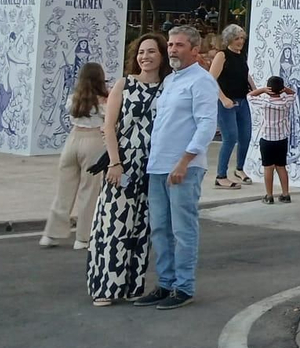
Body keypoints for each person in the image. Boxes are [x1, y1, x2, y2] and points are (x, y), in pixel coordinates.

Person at [138, 26, 218, 309]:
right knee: (159, 228)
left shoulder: (202, 81)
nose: (172, 49)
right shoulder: (171, 80)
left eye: (179, 45)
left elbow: (207, 124)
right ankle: (165, 282)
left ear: (195, 49)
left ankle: (183, 287)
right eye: (170, 44)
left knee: (183, 230)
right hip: (158, 165)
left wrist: (185, 160)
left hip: (184, 166)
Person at [87, 34, 165, 305]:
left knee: (141, 228)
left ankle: (133, 286)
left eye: (152, 51)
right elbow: (109, 126)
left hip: (151, 167)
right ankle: (105, 288)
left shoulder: (167, 87)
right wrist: (115, 162)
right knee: (113, 225)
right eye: (141, 52)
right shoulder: (125, 83)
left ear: (162, 56)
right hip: (121, 164)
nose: (145, 56)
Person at [38, 61, 108, 250]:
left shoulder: (73, 99)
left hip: (72, 140)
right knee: (89, 192)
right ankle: (83, 238)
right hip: (94, 140)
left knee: (64, 190)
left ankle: (51, 234)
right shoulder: (105, 101)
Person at [209, 23, 254, 188]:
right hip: (227, 101)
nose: (240, 41)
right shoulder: (222, 55)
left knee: (246, 135)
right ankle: (221, 175)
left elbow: (245, 73)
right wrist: (223, 98)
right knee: (230, 137)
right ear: (229, 39)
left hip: (242, 100)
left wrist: (255, 89)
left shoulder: (241, 55)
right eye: (237, 38)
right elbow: (211, 79)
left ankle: (240, 168)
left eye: (242, 38)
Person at [250, 75, 296, 203]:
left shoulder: (264, 102)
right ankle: (286, 194)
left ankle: (269, 195)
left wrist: (263, 90)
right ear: (281, 89)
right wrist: (284, 89)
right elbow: (293, 93)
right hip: (281, 139)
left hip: (267, 139)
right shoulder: (286, 102)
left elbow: (250, 96)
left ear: (269, 89)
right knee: (281, 166)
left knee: (268, 167)